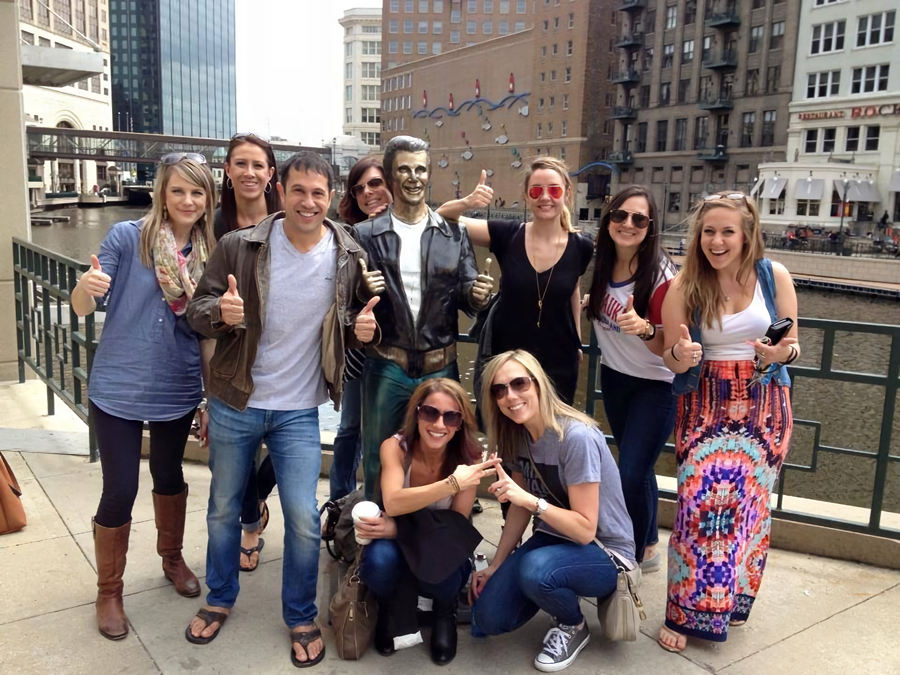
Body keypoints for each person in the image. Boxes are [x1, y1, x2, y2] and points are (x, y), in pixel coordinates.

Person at [184, 151, 376, 668]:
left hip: (298, 410)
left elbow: (356, 321)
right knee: (224, 508)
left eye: (318, 193)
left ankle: (299, 613)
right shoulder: (237, 246)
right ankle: (219, 597)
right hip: (235, 399)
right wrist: (220, 313)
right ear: (279, 190)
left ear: (331, 197)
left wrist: (363, 329)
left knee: (300, 515)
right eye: (298, 191)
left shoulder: (347, 253)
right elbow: (197, 313)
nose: (308, 202)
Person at [71, 153, 217, 640]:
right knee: (120, 490)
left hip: (176, 385)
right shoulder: (126, 238)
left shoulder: (211, 253)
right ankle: (108, 589)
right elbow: (83, 303)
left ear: (207, 199)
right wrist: (85, 288)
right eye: (178, 190)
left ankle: (171, 559)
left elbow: (208, 334)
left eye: (197, 192)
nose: (187, 200)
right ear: (162, 193)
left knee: (169, 476)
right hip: (118, 384)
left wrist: (210, 397)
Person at [657, 191, 799, 653]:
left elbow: (792, 341)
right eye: (708, 231)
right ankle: (684, 612)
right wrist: (679, 355)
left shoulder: (773, 275)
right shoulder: (684, 286)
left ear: (746, 235)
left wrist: (782, 352)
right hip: (706, 398)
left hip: (764, 400)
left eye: (727, 232)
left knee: (748, 510)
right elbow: (671, 359)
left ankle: (730, 602)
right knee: (698, 504)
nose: (716, 241)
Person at [470, 350, 637, 673]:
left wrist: (531, 501)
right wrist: (498, 564)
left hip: (606, 551)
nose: (510, 396)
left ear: (538, 384)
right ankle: (550, 583)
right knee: (486, 619)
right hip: (553, 539)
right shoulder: (516, 433)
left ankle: (572, 624)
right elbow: (518, 510)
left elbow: (586, 529)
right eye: (499, 389)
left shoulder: (575, 437)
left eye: (519, 383)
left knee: (536, 569)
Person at [353, 135, 493, 500]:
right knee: (376, 458)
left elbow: (465, 293)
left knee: (448, 457)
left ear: (429, 174)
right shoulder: (365, 234)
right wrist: (362, 291)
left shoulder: (453, 233)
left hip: (439, 364)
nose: (413, 177)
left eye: (420, 168)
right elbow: (349, 305)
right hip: (387, 364)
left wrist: (476, 296)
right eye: (403, 169)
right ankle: (373, 542)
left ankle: (442, 544)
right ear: (388, 175)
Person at [355, 379, 499, 664]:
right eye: (430, 412)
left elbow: (455, 526)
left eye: (451, 416)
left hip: (434, 541)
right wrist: (452, 484)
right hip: (400, 542)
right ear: (416, 413)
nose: (439, 424)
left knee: (449, 567)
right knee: (378, 562)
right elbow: (394, 502)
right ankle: (389, 607)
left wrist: (399, 528)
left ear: (460, 423)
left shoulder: (469, 457)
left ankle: (444, 611)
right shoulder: (395, 448)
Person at [438, 159, 593, 405]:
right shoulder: (507, 235)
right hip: (508, 358)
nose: (545, 197)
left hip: (559, 359)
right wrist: (468, 202)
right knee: (508, 433)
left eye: (554, 190)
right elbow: (441, 218)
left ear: (567, 192)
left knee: (551, 435)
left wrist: (577, 341)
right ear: (526, 196)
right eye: (536, 190)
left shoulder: (582, 246)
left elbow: (573, 290)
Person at [585, 186, 676, 572]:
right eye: (620, 215)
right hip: (616, 378)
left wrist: (643, 329)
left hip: (655, 384)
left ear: (650, 227)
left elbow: (671, 345)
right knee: (639, 467)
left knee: (631, 472)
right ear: (608, 220)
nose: (628, 224)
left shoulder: (660, 276)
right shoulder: (603, 264)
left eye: (639, 219)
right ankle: (651, 541)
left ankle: (631, 557)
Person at [215, 132, 281, 573]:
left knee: (285, 446)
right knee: (233, 453)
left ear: (271, 173)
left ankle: (254, 509)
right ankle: (251, 524)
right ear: (227, 171)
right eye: (241, 163)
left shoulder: (292, 220)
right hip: (226, 353)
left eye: (258, 164)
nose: (250, 173)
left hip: (286, 358)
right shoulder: (214, 227)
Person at [328, 157, 394, 502]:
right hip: (358, 348)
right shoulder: (347, 235)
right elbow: (338, 292)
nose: (368, 192)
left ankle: (387, 499)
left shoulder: (409, 232)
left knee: (391, 430)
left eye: (376, 183)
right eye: (360, 187)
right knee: (350, 426)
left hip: (398, 349)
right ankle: (340, 501)